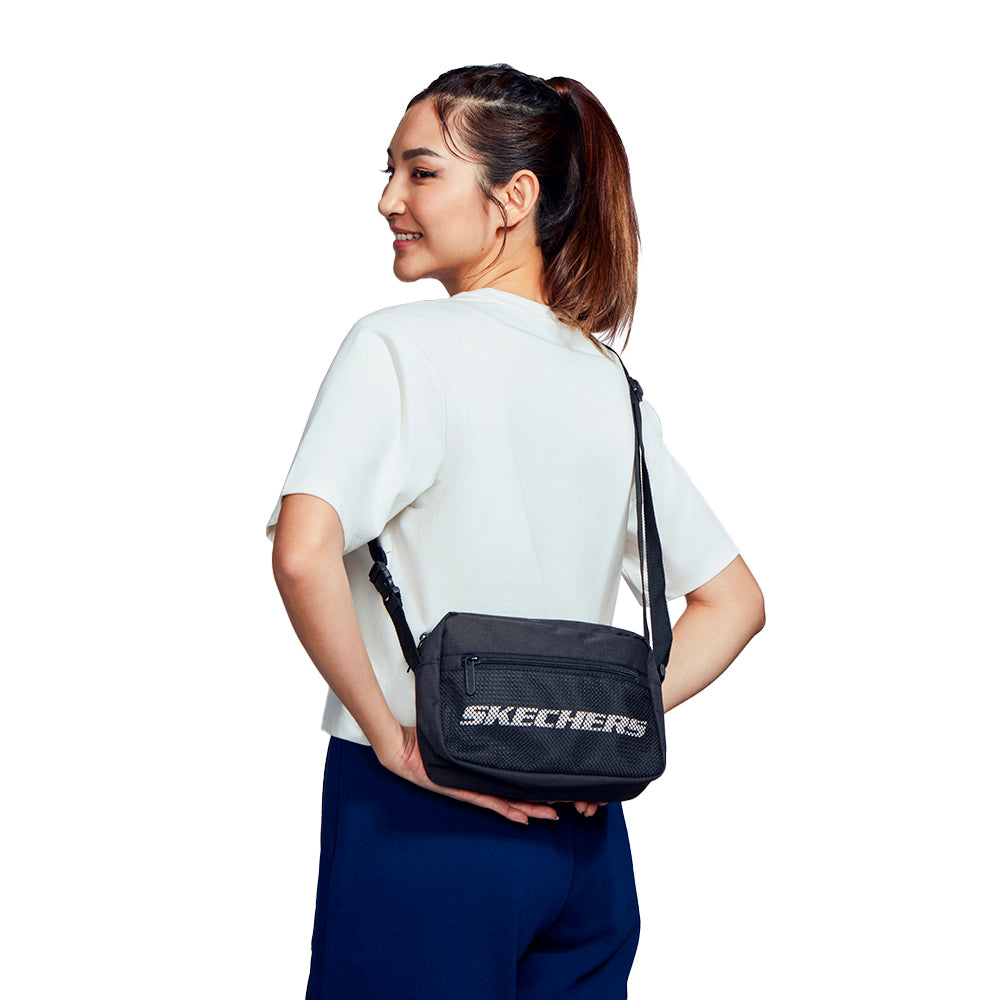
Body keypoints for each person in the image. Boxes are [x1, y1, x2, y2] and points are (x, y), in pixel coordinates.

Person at [266, 63, 765, 1000]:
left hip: (423, 823)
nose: (388, 199)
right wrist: (597, 731)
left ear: (513, 197)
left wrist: (391, 740)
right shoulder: (608, 383)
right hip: (585, 847)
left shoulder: (398, 346)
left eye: (421, 172)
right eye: (389, 170)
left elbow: (301, 552)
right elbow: (733, 600)